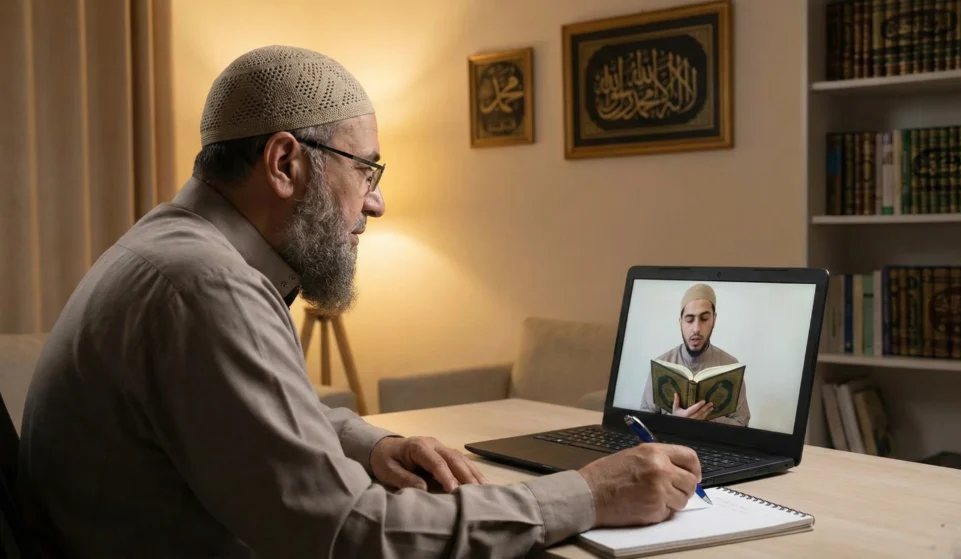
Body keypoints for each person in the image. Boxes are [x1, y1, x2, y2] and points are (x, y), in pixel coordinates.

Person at [16, 45, 704, 558]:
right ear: (286, 163)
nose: (376, 200)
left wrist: (376, 444)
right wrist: (589, 493)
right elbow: (352, 535)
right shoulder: (204, 287)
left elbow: (255, 412)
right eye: (365, 169)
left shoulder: (174, 249)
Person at [640, 283, 751, 427]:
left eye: (704, 319)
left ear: (714, 319)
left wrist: (706, 419)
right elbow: (643, 420)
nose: (696, 329)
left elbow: (742, 422)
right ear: (680, 321)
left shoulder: (730, 366)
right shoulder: (662, 364)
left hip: (712, 446)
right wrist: (675, 421)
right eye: (689, 319)